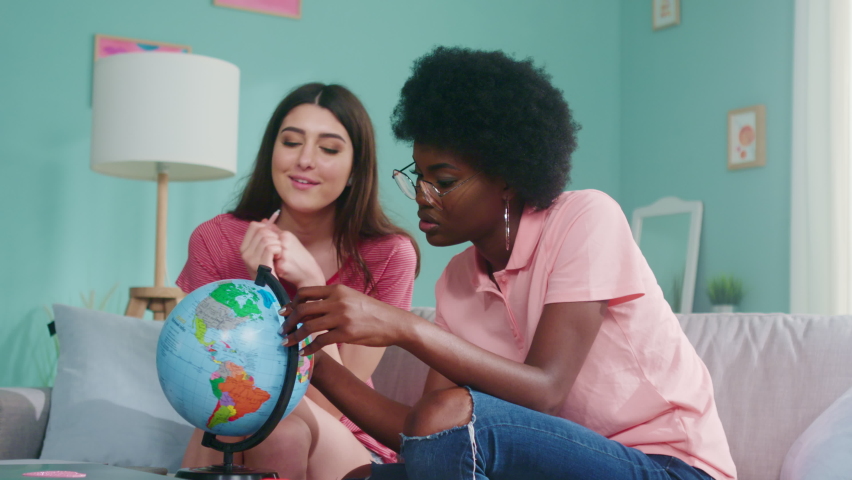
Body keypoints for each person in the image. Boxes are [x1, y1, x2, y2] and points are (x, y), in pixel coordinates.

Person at [279, 47, 737, 480]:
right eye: (418, 177)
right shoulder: (458, 280)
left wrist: (404, 327)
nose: (422, 195)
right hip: (555, 465)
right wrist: (308, 362)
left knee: (447, 415)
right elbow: (422, 431)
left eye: (444, 180)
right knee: (363, 475)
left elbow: (546, 389)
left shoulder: (586, 218)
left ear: (508, 180)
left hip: (666, 467)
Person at [176, 82, 419, 480]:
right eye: (291, 142)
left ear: (356, 168)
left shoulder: (389, 255)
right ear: (271, 152)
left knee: (279, 431)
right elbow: (198, 384)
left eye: (328, 148)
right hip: (233, 424)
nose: (306, 160)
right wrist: (258, 283)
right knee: (260, 424)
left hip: (346, 440)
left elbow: (336, 405)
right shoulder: (216, 240)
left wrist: (311, 283)